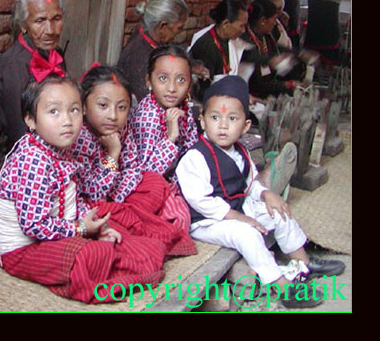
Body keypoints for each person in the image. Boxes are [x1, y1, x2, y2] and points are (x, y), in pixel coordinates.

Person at [0, 75, 167, 304]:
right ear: (31, 120)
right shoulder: (32, 160)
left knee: (123, 235)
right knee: (90, 254)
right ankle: (103, 265)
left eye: (73, 110)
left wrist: (95, 226)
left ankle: (112, 258)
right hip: (23, 250)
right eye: (54, 111)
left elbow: (73, 196)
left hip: (58, 231)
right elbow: (33, 226)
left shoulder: (61, 148)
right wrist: (82, 228)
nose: (67, 121)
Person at [176, 76, 345, 308]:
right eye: (215, 117)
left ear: (245, 126)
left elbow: (250, 183)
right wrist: (241, 218)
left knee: (278, 211)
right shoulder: (195, 157)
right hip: (208, 221)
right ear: (203, 121)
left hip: (237, 208)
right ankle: (282, 286)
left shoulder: (241, 151)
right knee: (247, 234)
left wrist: (267, 195)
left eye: (232, 118)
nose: (223, 125)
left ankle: (303, 263)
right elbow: (200, 201)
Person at [71, 63, 196, 255]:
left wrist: (119, 198)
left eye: (122, 107)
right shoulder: (78, 139)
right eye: (103, 105)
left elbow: (133, 168)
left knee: (154, 182)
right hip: (92, 206)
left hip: (119, 196)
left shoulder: (123, 128)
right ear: (84, 107)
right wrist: (113, 154)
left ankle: (134, 220)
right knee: (134, 239)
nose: (113, 115)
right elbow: (92, 194)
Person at [130, 44, 200, 236]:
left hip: (178, 178)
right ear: (149, 81)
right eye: (163, 78)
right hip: (151, 186)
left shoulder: (184, 108)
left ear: (189, 85)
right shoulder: (147, 117)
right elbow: (146, 173)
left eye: (181, 80)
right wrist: (171, 138)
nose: (171, 88)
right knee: (178, 219)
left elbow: (191, 151)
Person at [0, 0, 68, 150]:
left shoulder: (55, 53)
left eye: (56, 18)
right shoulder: (15, 64)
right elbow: (18, 130)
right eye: (40, 21)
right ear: (23, 25)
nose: (50, 30)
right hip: (31, 153)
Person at [117, 0, 201, 103]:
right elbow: (149, 100)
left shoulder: (149, 36)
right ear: (163, 26)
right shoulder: (139, 56)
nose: (179, 32)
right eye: (179, 28)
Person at [241, 0, 307, 99]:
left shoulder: (266, 36)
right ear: (263, 21)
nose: (275, 23)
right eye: (274, 19)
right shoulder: (245, 40)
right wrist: (286, 85)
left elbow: (277, 49)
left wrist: (299, 53)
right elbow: (257, 84)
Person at [188, 0, 250, 85]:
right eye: (241, 26)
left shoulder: (230, 40)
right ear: (225, 24)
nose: (243, 31)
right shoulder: (207, 46)